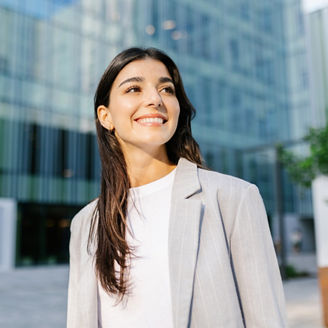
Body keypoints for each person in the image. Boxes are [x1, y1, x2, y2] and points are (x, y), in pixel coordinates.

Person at [67, 47, 286, 328]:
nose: (155, 99)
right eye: (134, 88)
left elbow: (266, 318)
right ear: (105, 116)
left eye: (167, 90)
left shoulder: (233, 198)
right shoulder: (86, 223)